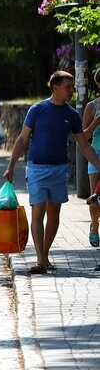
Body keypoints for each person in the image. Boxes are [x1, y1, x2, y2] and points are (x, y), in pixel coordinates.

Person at [4, 71, 100, 274]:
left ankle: (45, 255)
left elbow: (84, 145)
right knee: (38, 211)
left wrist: (99, 166)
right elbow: (22, 139)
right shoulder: (37, 109)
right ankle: (40, 259)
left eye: (72, 87)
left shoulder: (71, 114)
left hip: (59, 169)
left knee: (54, 215)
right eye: (68, 87)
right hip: (37, 167)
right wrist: (11, 166)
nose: (71, 91)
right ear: (55, 87)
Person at [82, 68, 100, 247]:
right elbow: (83, 135)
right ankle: (95, 227)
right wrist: (95, 122)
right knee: (95, 198)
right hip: (96, 155)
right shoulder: (92, 106)